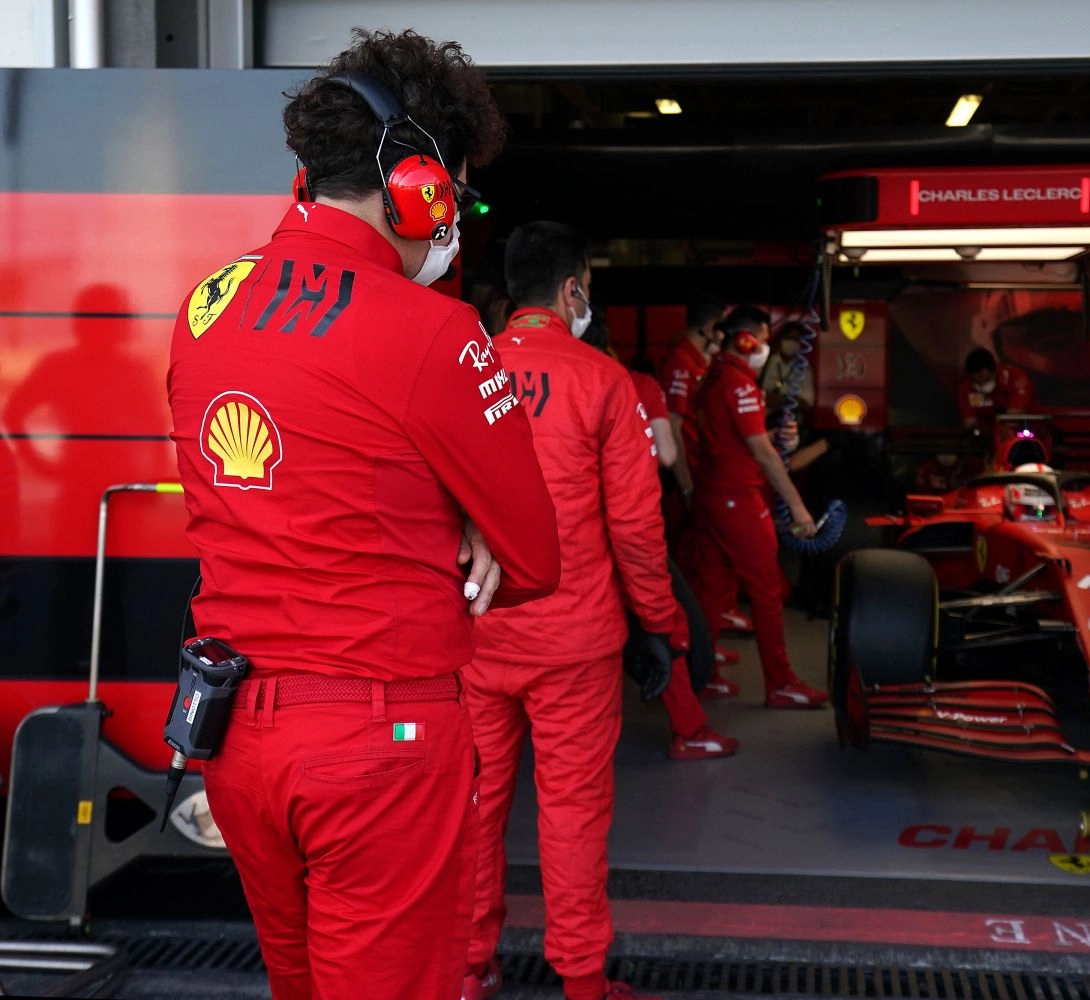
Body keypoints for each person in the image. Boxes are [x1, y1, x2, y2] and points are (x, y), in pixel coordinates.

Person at [166, 30, 561, 1000]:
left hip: (236, 740)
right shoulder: (436, 332)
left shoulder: (204, 307)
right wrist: (463, 522)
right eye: (456, 194)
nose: (455, 219)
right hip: (379, 745)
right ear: (417, 184)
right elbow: (535, 560)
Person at [464, 222, 684, 1000]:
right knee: (572, 814)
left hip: (476, 639)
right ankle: (582, 981)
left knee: (472, 806)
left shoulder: (464, 371)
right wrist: (659, 625)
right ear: (572, 289)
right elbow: (637, 527)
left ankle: (471, 967)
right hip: (575, 644)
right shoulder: (603, 380)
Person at [579, 316, 738, 762]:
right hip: (627, 530)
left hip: (568, 538)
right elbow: (667, 453)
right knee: (666, 622)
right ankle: (690, 730)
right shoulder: (635, 384)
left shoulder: (544, 379)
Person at [689, 305, 829, 708]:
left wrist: (771, 434)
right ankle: (781, 682)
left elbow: (738, 437)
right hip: (738, 499)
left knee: (712, 589)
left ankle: (704, 674)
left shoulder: (714, 376)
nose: (766, 348)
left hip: (711, 496)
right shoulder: (739, 384)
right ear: (746, 340)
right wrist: (799, 508)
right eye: (764, 340)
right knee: (768, 589)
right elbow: (764, 454)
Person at [659, 289, 726, 503]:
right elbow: (672, 426)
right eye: (722, 328)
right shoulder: (681, 362)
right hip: (685, 474)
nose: (724, 335)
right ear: (710, 328)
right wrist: (686, 486)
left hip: (700, 467)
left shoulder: (696, 361)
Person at [958, 347, 1034, 432]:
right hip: (986, 433)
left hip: (1026, 430)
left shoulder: (1015, 377)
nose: (977, 378)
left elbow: (1012, 419)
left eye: (980, 375)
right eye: (974, 376)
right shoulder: (966, 385)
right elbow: (969, 422)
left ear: (993, 370)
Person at [760, 321, 815, 408]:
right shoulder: (767, 362)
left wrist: (778, 400)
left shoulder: (804, 369)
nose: (791, 342)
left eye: (795, 339)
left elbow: (807, 403)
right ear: (781, 340)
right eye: (789, 338)